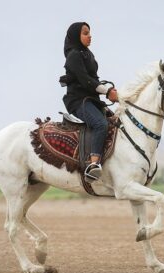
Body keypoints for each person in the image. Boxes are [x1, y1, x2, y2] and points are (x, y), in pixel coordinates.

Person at [61, 22, 118, 182]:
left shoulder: (88, 54)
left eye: (89, 33)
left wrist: (108, 91)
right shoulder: (74, 55)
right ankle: (93, 165)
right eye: (85, 33)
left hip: (92, 99)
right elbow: (86, 81)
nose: (89, 36)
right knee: (100, 124)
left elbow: (94, 80)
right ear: (75, 36)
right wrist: (107, 91)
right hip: (78, 101)